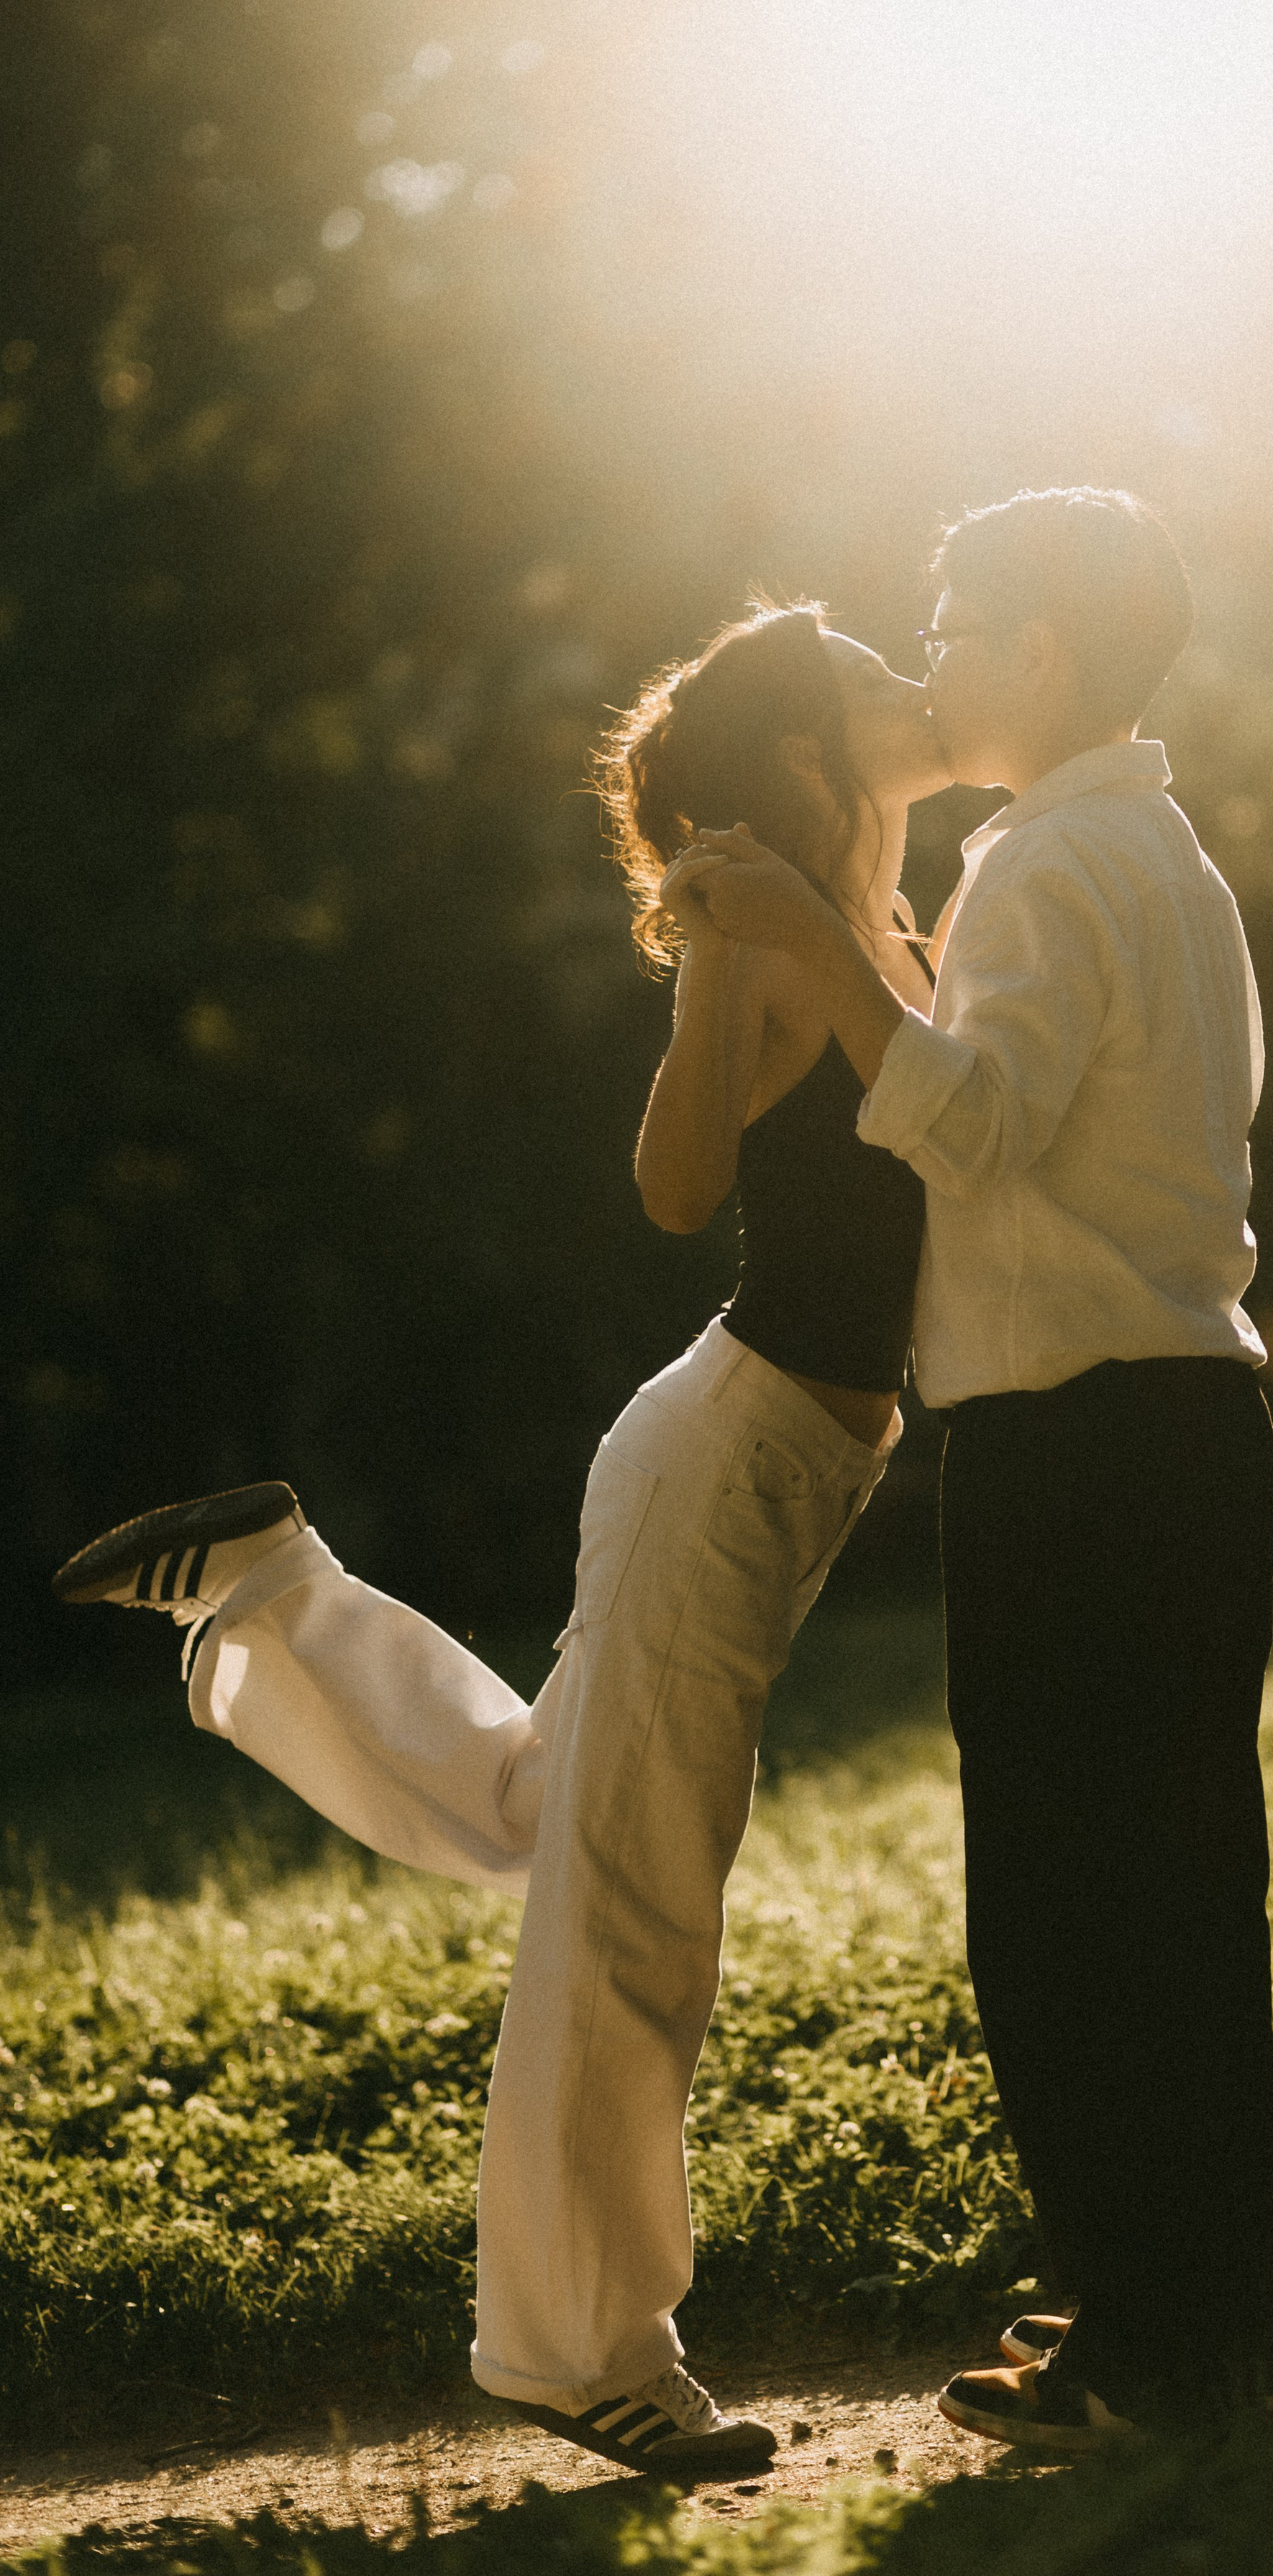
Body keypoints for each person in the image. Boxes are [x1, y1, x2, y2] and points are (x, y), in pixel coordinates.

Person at [51, 603, 945, 2484]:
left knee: (549, 1815)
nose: (908, 693)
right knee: (628, 1914)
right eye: (870, 678)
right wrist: (716, 963)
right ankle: (588, 2349)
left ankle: (276, 1591)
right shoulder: (773, 942)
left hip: (767, 1461)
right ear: (804, 752)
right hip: (736, 1444)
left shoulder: (875, 928)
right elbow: (674, 1188)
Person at [688, 489, 1273, 2452]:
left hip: (1077, 1438)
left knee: (1058, 1905)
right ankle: (1185, 2318)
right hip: (1191, 1423)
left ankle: (1151, 2336)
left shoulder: (1042, 867)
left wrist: (819, 952)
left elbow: (980, 1130)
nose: (929, 663)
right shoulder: (1165, 859)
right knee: (1181, 1893)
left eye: (952, 627)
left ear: (1039, 649)